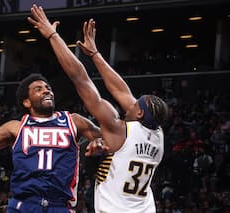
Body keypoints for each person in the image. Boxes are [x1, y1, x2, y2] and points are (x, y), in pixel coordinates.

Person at [27, 5, 169, 213]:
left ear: (138, 113)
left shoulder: (120, 130)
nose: (131, 99)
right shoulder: (158, 134)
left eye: (136, 102)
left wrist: (53, 36)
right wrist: (95, 54)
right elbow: (122, 91)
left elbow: (81, 79)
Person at [0, 73, 101, 213]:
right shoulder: (16, 127)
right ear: (26, 102)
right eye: (39, 89)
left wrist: (100, 141)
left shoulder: (73, 121)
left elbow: (111, 139)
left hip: (60, 205)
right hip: (24, 205)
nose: (46, 91)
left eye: (48, 88)